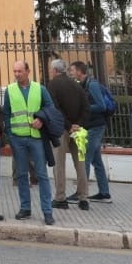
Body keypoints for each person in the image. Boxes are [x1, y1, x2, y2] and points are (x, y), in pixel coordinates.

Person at [3, 60, 58, 225]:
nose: (17, 74)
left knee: (41, 175)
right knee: (21, 175)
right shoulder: (10, 90)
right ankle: (25, 208)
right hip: (17, 138)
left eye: (20, 71)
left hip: (36, 138)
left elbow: (50, 108)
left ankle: (47, 211)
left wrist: (41, 119)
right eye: (15, 71)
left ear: (28, 71)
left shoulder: (40, 89)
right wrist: (10, 135)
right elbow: (6, 113)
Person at [46, 58, 90, 211]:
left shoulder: (53, 85)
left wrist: (68, 125)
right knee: (80, 163)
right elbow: (86, 106)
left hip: (61, 129)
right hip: (77, 130)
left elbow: (55, 109)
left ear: (54, 70)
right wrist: (78, 124)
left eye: (51, 70)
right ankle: (84, 198)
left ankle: (60, 198)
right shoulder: (76, 85)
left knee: (59, 163)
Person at [72, 61, 113, 203]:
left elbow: (101, 105)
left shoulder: (92, 84)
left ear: (79, 71)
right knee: (97, 160)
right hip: (92, 126)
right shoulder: (83, 85)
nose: (71, 73)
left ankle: (81, 193)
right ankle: (104, 193)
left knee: (84, 158)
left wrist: (85, 107)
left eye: (72, 70)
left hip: (96, 127)